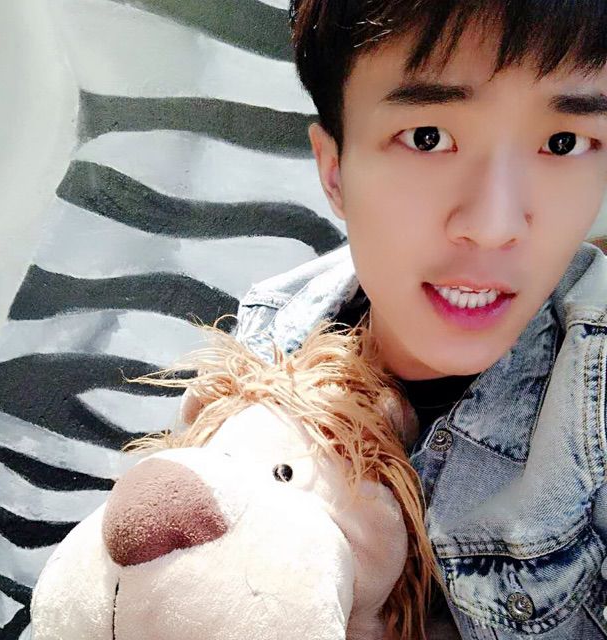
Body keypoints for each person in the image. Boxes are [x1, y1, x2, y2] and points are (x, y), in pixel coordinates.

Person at [222, 1, 607, 638]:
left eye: (562, 143)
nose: (493, 225)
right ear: (334, 171)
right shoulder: (266, 340)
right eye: (428, 137)